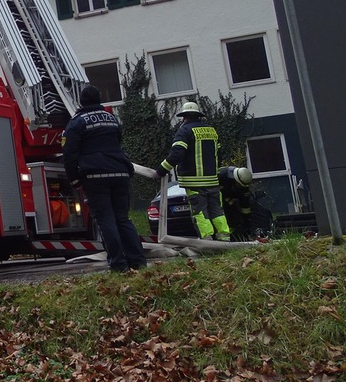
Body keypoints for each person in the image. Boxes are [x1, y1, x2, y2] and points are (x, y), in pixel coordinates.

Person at [62, 85, 148, 273]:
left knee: (106, 220)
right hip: (121, 172)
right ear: (99, 100)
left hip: (95, 175)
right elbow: (117, 141)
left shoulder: (77, 122)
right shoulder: (112, 119)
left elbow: (69, 153)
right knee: (123, 219)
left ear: (82, 102)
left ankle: (118, 264)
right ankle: (138, 261)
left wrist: (74, 179)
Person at [155, 101, 231, 241]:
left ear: (184, 117)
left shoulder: (184, 131)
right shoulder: (211, 131)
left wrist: (160, 170)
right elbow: (219, 155)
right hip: (213, 182)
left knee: (200, 213)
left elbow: (176, 154)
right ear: (198, 116)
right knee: (217, 211)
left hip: (194, 183)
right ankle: (225, 240)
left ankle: (208, 242)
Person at [218, 166, 256, 240]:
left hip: (229, 199)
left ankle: (233, 233)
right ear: (235, 179)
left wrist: (247, 222)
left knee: (235, 216)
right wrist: (227, 201)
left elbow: (245, 205)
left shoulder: (244, 184)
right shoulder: (222, 176)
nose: (240, 187)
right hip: (217, 199)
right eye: (239, 184)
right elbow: (215, 194)